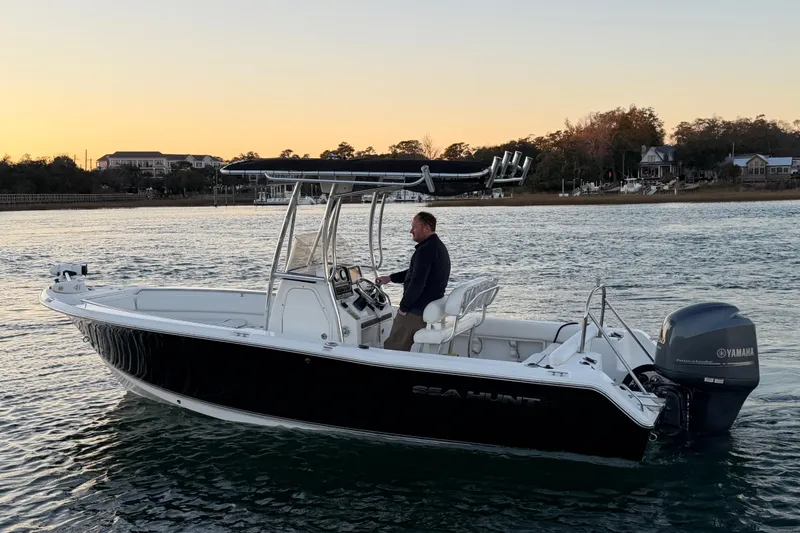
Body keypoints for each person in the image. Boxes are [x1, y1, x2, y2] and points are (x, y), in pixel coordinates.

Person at [377, 212, 450, 351]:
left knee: (393, 348)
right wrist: (390, 278)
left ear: (426, 228)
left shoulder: (425, 251)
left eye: (414, 227)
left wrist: (404, 308)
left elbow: (417, 283)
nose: (411, 231)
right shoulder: (436, 246)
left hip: (417, 310)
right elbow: (415, 273)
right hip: (428, 304)